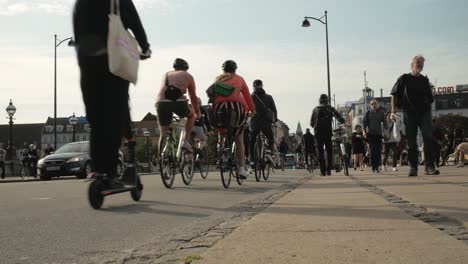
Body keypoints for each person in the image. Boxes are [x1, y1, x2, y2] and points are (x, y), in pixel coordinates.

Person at [73, 0, 151, 186]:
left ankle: (98, 170)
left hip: (87, 65)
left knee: (96, 119)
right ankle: (108, 172)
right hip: (113, 62)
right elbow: (135, 23)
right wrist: (145, 47)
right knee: (114, 117)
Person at [390, 55, 439, 176]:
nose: (420, 65)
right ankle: (413, 167)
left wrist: (428, 107)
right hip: (409, 113)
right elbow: (393, 95)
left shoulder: (425, 80)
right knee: (411, 141)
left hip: (424, 113)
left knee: (428, 138)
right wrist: (393, 111)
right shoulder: (404, 78)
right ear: (412, 65)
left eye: (422, 63)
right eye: (418, 63)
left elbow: (430, 98)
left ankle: (429, 167)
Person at [207, 60, 255, 179]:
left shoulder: (218, 80)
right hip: (235, 109)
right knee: (239, 138)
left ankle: (223, 147)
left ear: (223, 70)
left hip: (219, 109)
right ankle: (242, 169)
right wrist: (252, 110)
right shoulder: (239, 79)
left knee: (221, 127)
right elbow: (247, 96)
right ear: (235, 69)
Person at [156, 58, 201, 153]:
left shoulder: (166, 74)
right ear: (185, 68)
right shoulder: (188, 76)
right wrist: (197, 113)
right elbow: (192, 97)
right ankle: (185, 141)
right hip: (179, 102)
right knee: (191, 116)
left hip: (161, 103)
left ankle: (161, 156)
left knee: (163, 132)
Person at [310, 94, 345, 176]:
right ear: (327, 100)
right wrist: (342, 122)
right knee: (329, 151)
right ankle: (329, 169)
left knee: (320, 151)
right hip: (328, 132)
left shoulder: (315, 109)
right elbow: (339, 118)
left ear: (319, 101)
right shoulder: (330, 108)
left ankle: (322, 171)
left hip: (318, 133)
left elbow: (311, 123)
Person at [249, 79, 277, 167]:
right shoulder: (269, 97)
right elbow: (274, 110)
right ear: (262, 86)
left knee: (252, 141)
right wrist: (274, 120)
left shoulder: (250, 97)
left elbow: (246, 109)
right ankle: (268, 151)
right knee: (270, 137)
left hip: (254, 123)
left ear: (253, 87)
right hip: (266, 123)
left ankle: (252, 160)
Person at [363, 99, 387, 173]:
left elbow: (385, 123)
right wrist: (364, 132)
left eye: (375, 103)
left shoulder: (381, 113)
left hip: (379, 134)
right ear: (370, 105)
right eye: (372, 104)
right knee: (373, 151)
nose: (374, 105)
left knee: (378, 150)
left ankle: (377, 166)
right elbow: (364, 123)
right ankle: (374, 167)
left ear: (377, 104)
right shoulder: (368, 113)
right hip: (371, 134)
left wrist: (386, 132)